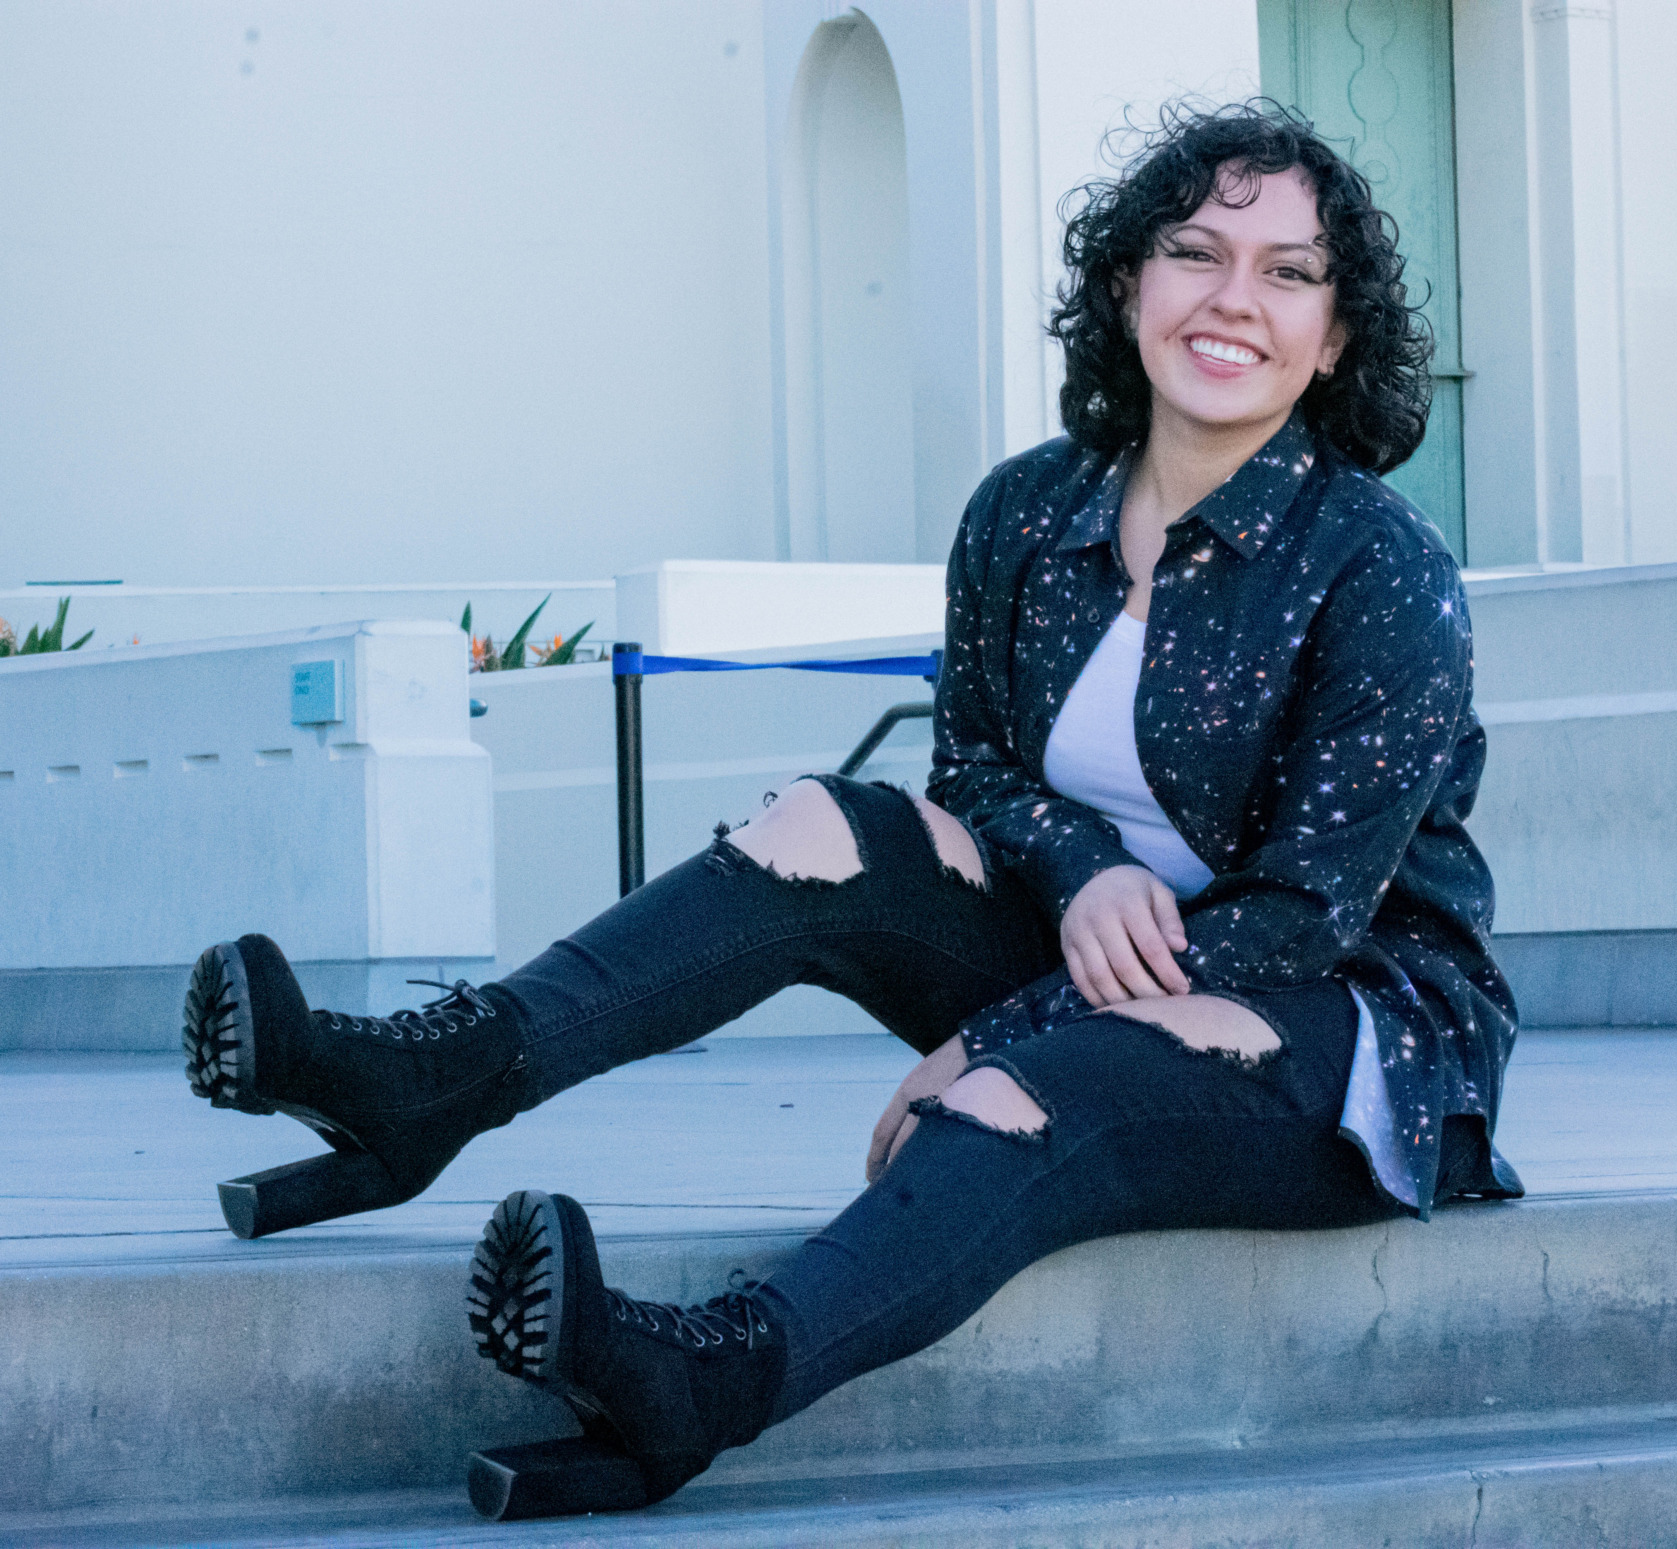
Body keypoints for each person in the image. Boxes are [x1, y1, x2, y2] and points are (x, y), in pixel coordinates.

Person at [181, 99, 1522, 1519]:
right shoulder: (1026, 513)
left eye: (1290, 272)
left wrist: (987, 1034)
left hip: (1337, 1024)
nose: (1233, 298)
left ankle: (705, 1377)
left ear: (1337, 336)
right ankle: (435, 1081)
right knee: (823, 824)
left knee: (1023, 1093)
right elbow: (980, 777)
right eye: (1195, 251)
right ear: (1128, 282)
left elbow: (1306, 916)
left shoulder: (1381, 567)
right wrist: (1074, 870)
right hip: (1096, 959)